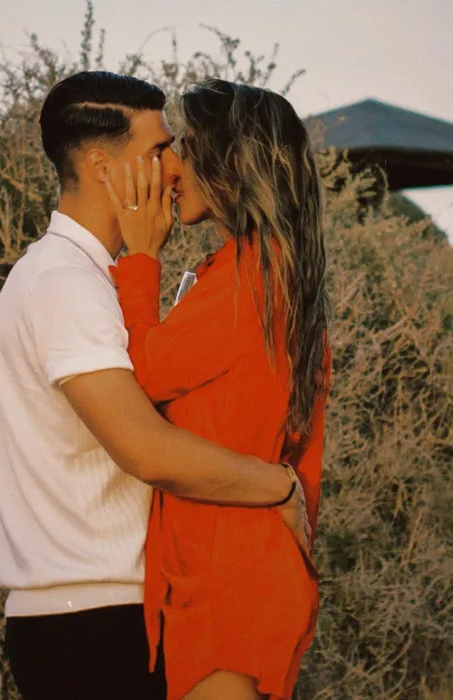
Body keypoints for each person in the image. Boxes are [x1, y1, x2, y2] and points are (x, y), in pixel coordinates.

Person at [0, 71, 310, 700]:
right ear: (102, 167)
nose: (173, 166)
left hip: (114, 612)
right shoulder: (64, 282)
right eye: (160, 149)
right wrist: (279, 486)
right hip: (90, 620)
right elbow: (146, 450)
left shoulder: (86, 277)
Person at [106, 78, 332, 700]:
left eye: (185, 147)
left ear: (230, 162)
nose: (171, 168)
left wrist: (140, 256)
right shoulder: (261, 269)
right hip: (224, 563)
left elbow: (143, 375)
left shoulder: (253, 271)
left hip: (228, 574)